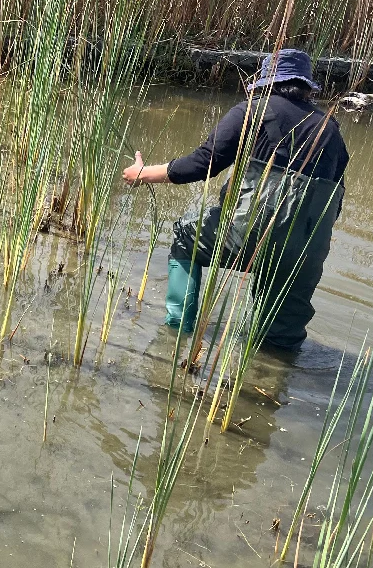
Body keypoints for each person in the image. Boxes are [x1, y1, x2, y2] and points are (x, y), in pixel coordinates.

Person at [122, 49, 349, 352]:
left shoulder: (252, 111)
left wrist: (143, 172)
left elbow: (204, 163)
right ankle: (267, 385)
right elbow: (335, 202)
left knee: (185, 239)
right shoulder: (330, 129)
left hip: (250, 234)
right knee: (281, 341)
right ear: (307, 87)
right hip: (305, 250)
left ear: (267, 81)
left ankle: (176, 335)